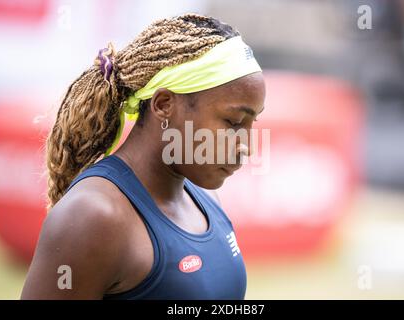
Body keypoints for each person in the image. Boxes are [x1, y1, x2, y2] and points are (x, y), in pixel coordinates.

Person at [21, 13, 265, 299]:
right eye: (234, 122)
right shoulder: (94, 215)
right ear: (164, 104)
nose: (245, 145)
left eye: (252, 124)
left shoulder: (205, 198)